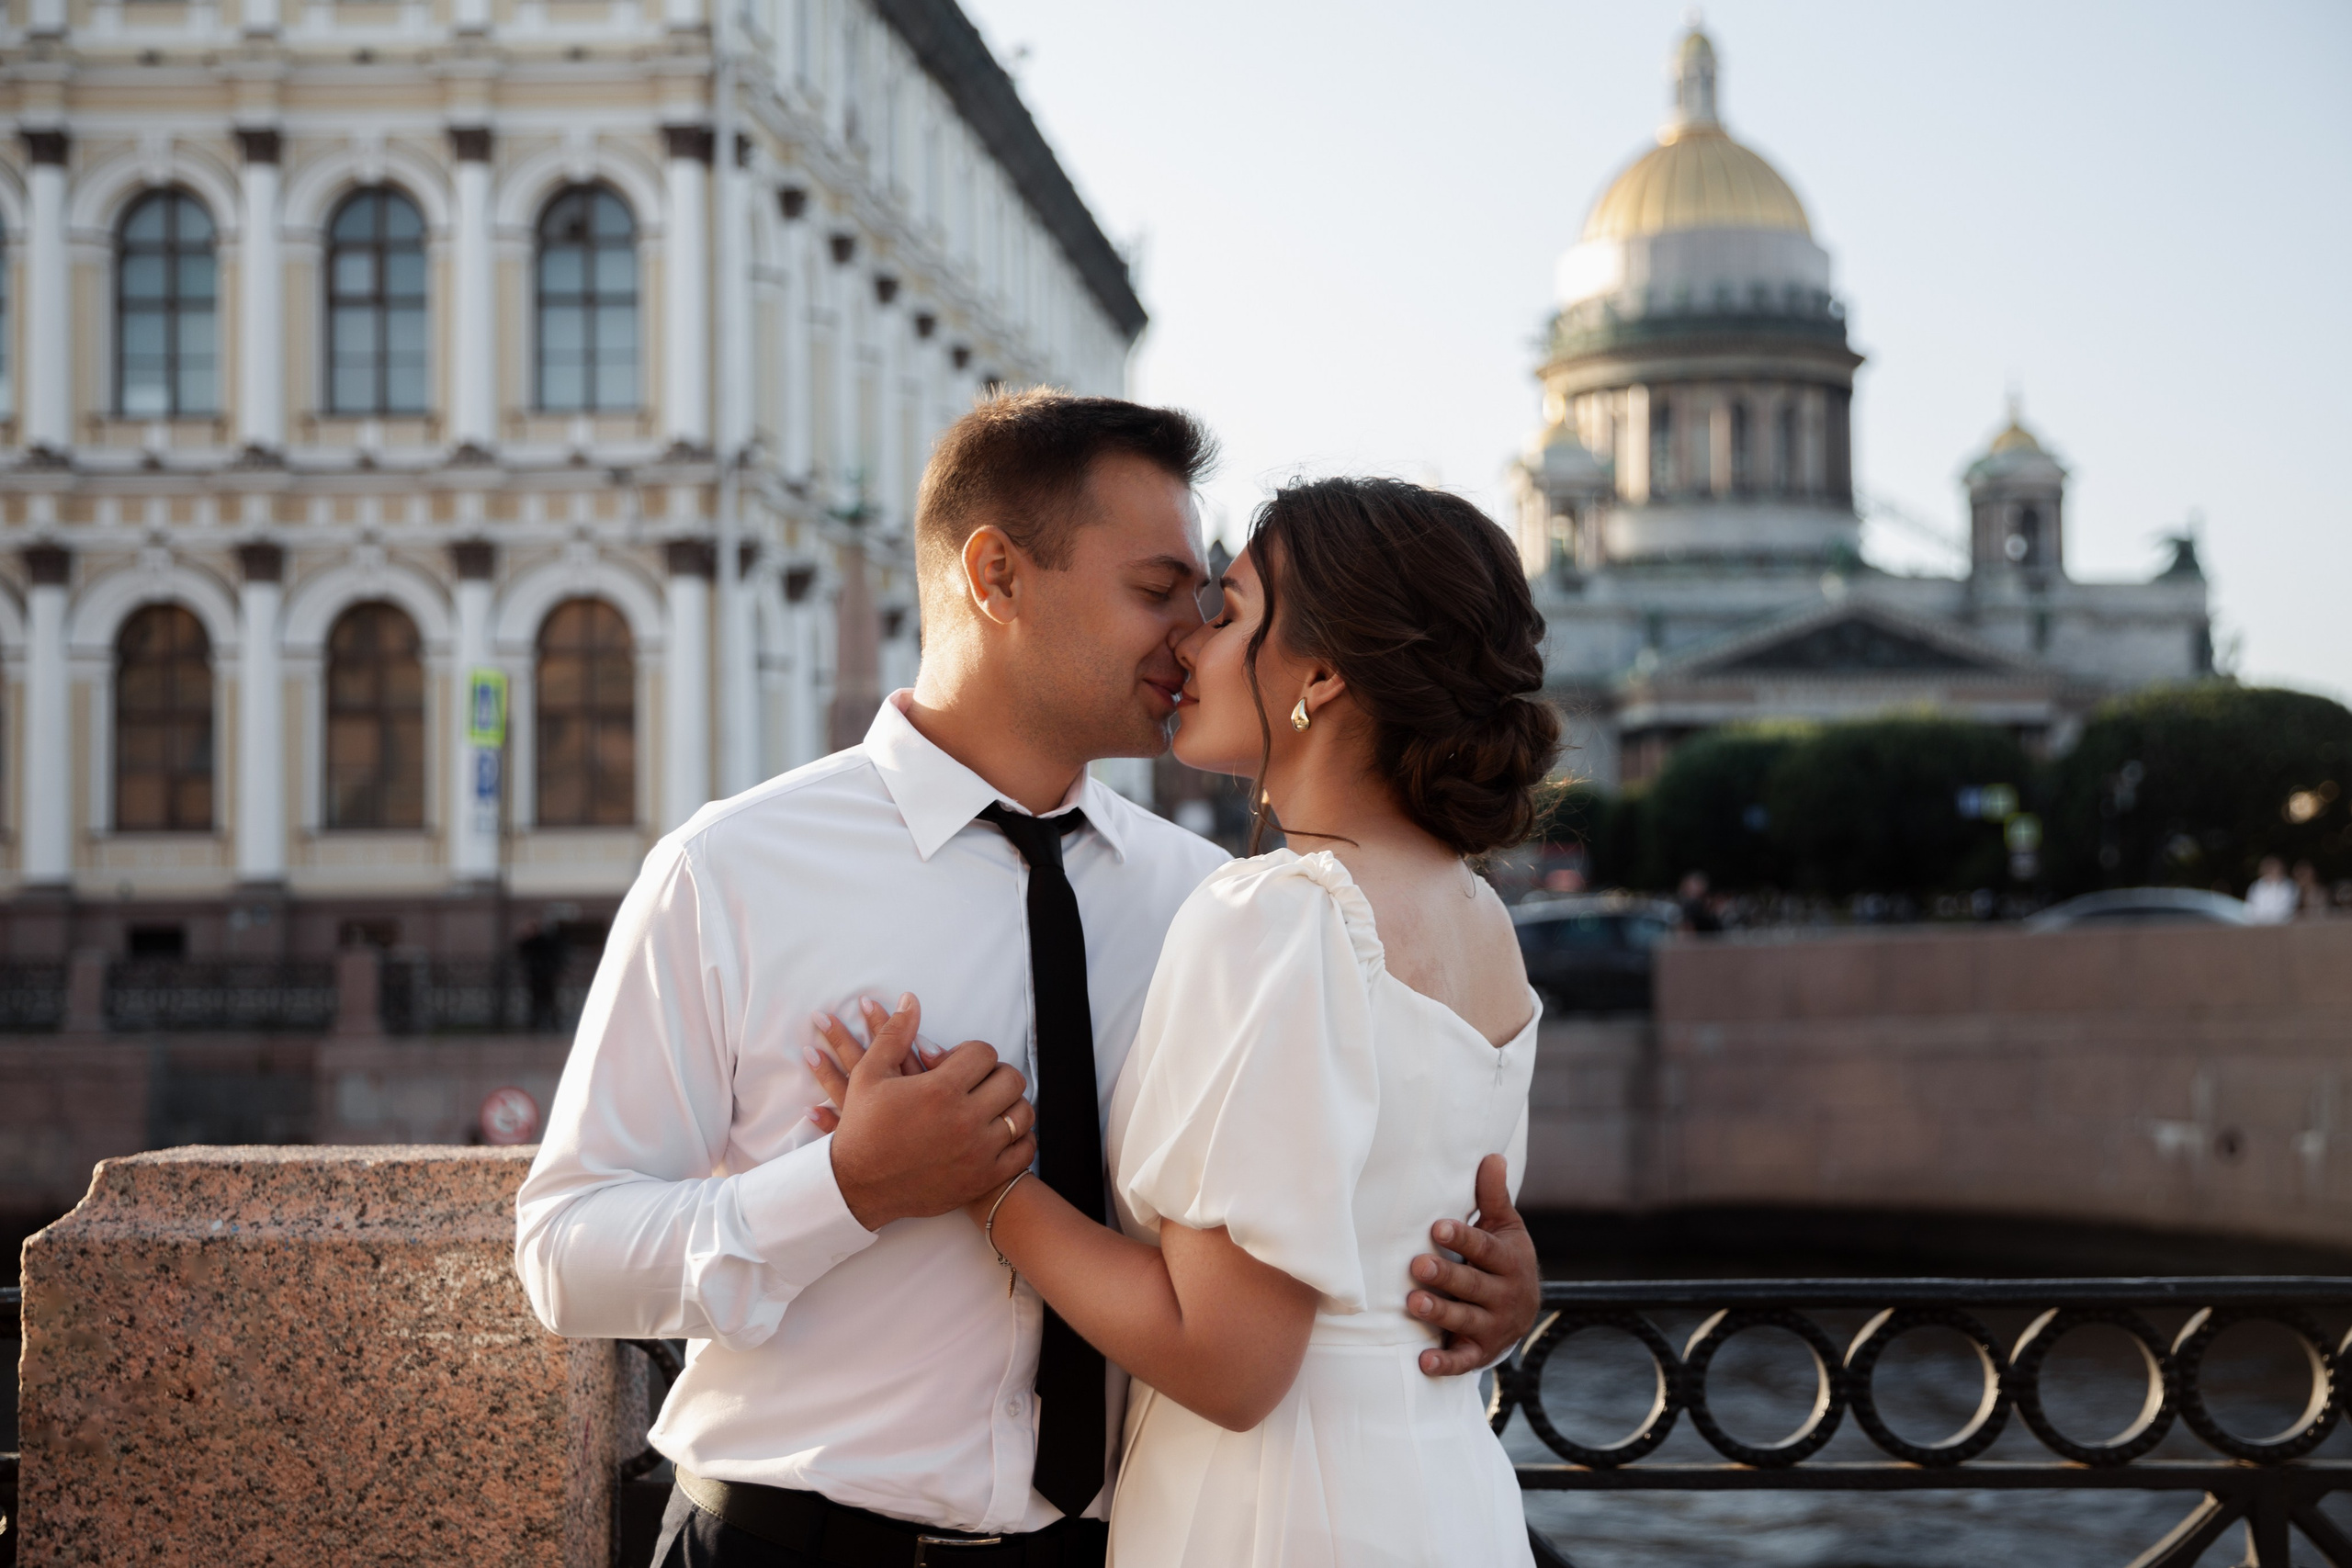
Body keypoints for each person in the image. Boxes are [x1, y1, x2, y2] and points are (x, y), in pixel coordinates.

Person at [512, 393, 1543, 1568]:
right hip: (785, 1543)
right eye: (1158, 591)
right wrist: (845, 1186)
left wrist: (1476, 1287)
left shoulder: (1214, 896)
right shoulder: (732, 870)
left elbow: (1293, 1241)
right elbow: (564, 1254)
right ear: (996, 576)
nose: (1190, 636)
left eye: (1213, 604)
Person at [814, 476, 1554, 1566]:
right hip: (1444, 1497)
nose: (1188, 645)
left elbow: (1228, 1364)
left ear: (1322, 675)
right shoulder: (1480, 916)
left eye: (1228, 610)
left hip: (1272, 1514)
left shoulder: (1276, 915)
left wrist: (986, 1188)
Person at [514, 919, 567, 1032]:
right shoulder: (529, 943)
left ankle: (553, 1023)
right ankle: (536, 1024)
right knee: (536, 1002)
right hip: (535, 976)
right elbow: (521, 952)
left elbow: (555, 955)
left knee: (548, 1001)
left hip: (546, 976)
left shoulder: (544, 941)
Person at [2246, 855, 2298, 924]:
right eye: (2269, 869)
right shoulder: (2257, 886)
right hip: (2258, 923)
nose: (2272, 872)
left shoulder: (2288, 886)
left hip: (2281, 923)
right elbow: (2251, 907)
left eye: (2274, 869)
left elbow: (2287, 908)